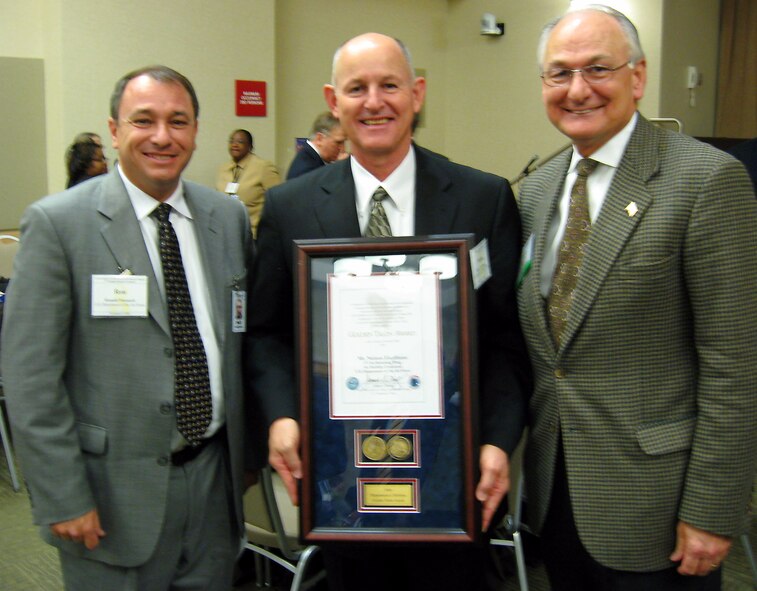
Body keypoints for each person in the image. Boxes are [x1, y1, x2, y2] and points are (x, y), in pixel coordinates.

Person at [246, 32, 530, 591]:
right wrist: (281, 417)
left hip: (454, 470)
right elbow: (265, 332)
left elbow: (504, 339)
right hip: (340, 471)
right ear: (334, 100)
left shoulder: (482, 198)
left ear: (417, 93)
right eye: (357, 88)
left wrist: (497, 439)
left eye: (390, 85)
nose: (374, 101)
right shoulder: (291, 207)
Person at [516, 5, 757, 590]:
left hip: (661, 507)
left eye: (598, 68)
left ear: (638, 77)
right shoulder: (536, 188)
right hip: (556, 494)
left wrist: (712, 510)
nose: (578, 89)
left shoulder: (706, 182)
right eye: (560, 73)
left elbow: (735, 363)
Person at [1, 65, 254, 590]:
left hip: (213, 487)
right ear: (114, 131)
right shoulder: (58, 224)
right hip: (108, 496)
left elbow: (241, 338)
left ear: (195, 131)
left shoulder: (224, 219)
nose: (163, 136)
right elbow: (30, 379)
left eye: (178, 121)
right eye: (144, 120)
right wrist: (63, 494)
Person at [215, 129, 280, 237]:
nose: (234, 145)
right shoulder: (223, 169)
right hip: (227, 233)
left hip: (254, 235)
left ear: (250, 146)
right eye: (231, 141)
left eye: (240, 142)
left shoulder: (263, 167)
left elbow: (279, 200)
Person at [285, 111, 347, 179]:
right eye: (338, 142)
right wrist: (340, 168)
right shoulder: (307, 168)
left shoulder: (311, 158)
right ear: (319, 139)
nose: (343, 149)